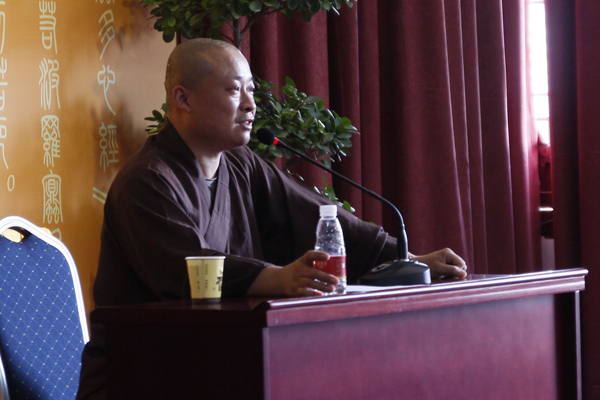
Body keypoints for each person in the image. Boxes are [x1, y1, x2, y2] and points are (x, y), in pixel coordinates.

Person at [76, 38, 467, 399]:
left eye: (251, 90)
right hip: (143, 373)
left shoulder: (239, 163)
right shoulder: (146, 181)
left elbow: (313, 213)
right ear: (184, 98)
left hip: (221, 360)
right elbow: (187, 272)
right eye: (234, 90)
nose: (251, 105)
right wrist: (279, 278)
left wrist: (405, 259)